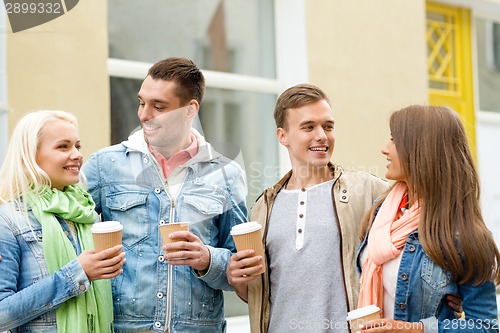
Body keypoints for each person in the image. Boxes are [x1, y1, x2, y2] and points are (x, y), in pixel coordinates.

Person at [82, 57, 248, 332]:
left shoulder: (226, 174)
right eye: (141, 102)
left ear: (189, 109)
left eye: (158, 106)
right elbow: (60, 232)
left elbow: (242, 271)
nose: (144, 115)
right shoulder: (104, 166)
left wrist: (207, 259)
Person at [226, 83, 390, 333]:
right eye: (308, 127)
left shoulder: (369, 191)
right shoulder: (263, 207)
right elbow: (259, 295)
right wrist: (238, 281)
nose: (322, 136)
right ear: (283, 136)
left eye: (328, 126)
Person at [356, 105, 500, 332]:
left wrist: (414, 329)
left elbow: (485, 327)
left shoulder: (464, 236)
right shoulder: (382, 211)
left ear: (421, 150)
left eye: (394, 140)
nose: (384, 149)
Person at [0, 110, 125, 332]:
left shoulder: (86, 213)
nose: (77, 154)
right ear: (30, 155)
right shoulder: (9, 220)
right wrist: (76, 274)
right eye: (63, 147)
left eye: (77, 146)